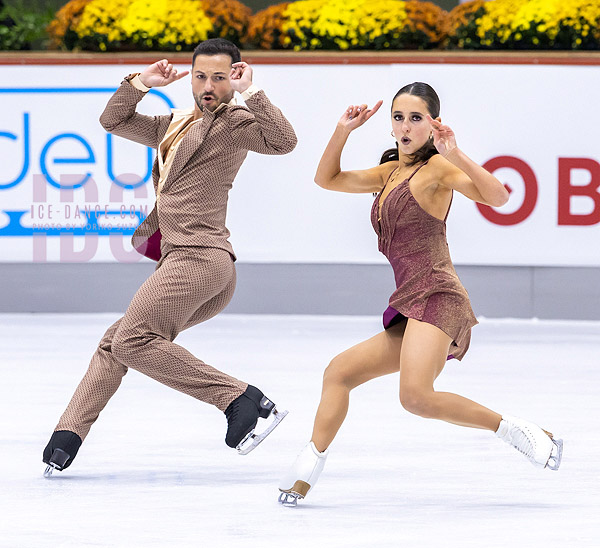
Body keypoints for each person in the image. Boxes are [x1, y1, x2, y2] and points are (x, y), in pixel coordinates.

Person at [278, 82, 562, 506]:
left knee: (415, 397)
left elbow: (500, 197)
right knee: (339, 372)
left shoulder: (438, 171)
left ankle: (517, 431)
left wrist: (456, 152)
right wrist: (343, 130)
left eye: (416, 118)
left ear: (433, 123)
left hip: (437, 295)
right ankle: (307, 469)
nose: (405, 126)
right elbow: (327, 179)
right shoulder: (390, 172)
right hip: (410, 302)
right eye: (398, 117)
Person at [43, 38, 296, 476]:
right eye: (201, 76)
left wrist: (253, 92)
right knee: (117, 340)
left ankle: (239, 398)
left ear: (234, 76)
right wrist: (141, 83)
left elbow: (283, 141)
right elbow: (113, 119)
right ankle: (68, 436)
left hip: (201, 259)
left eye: (220, 77)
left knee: (132, 340)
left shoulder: (235, 121)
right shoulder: (174, 123)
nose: (208, 86)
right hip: (182, 262)